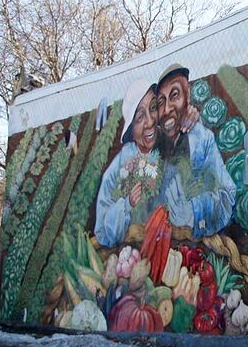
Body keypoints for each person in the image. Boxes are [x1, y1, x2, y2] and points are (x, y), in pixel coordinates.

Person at [155, 63, 236, 238]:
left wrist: (194, 212)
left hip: (197, 246)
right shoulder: (154, 144)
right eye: (161, 101)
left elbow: (227, 196)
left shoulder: (203, 139)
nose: (167, 108)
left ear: (188, 96)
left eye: (175, 95)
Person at [95, 79, 161, 247]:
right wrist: (127, 204)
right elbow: (103, 229)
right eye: (140, 117)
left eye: (153, 108)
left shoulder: (170, 145)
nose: (150, 121)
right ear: (131, 129)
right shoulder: (121, 164)